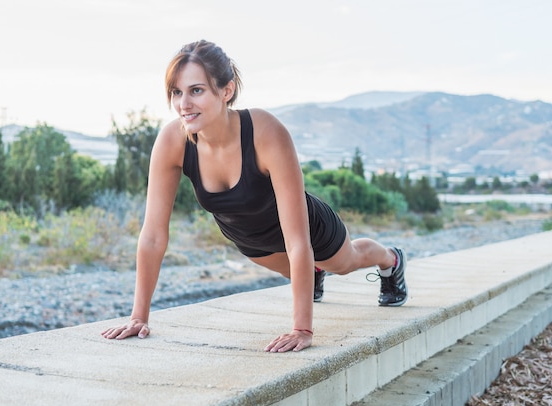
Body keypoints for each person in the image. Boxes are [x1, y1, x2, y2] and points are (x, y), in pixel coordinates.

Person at [101, 40, 408, 353]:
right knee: (299, 270)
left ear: (226, 91)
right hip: (251, 241)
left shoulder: (265, 131)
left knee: (344, 262)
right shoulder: (172, 140)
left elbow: (298, 241)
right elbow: (153, 235)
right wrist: (138, 317)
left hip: (307, 230)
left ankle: (391, 260)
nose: (183, 104)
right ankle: (313, 272)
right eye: (176, 92)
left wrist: (302, 329)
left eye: (196, 90)